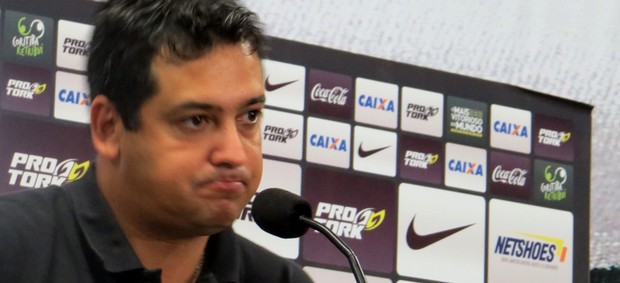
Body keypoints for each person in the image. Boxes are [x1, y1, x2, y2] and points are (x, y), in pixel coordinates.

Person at [0, 0, 314, 282]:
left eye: (249, 117)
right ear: (109, 127)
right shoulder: (11, 248)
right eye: (197, 120)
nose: (234, 154)